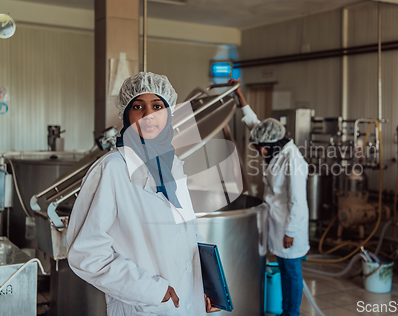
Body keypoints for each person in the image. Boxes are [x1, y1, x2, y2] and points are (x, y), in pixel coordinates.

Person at [66, 72, 220, 316]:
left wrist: (201, 287)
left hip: (186, 303)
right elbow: (86, 253)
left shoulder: (172, 165)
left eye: (157, 106)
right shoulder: (113, 168)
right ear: (127, 115)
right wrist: (151, 290)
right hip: (144, 306)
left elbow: (188, 233)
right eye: (138, 107)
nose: (149, 115)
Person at [228, 79, 309, 316]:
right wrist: (239, 96)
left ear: (271, 145)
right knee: (283, 268)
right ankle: (286, 310)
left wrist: (291, 232)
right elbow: (254, 124)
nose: (258, 152)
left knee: (291, 270)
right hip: (277, 220)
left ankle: (291, 313)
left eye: (260, 148)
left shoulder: (293, 160)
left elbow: (298, 201)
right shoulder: (275, 145)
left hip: (289, 225)